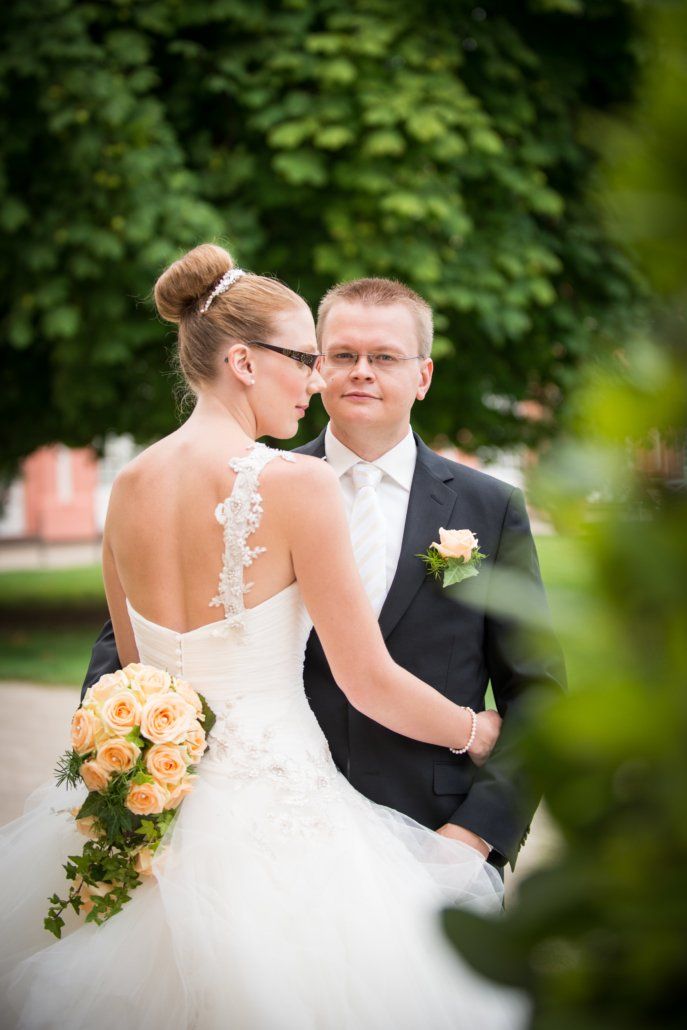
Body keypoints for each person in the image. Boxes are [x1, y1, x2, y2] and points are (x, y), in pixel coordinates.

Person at [0, 245, 527, 1029]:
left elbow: (135, 682)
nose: (318, 381)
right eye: (307, 359)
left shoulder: (130, 486)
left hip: (170, 813)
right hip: (283, 819)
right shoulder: (295, 481)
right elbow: (365, 677)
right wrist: (475, 730)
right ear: (244, 362)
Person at [85, 276, 566, 872]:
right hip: (255, 836)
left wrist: (476, 835)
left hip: (438, 831)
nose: (355, 371)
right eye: (335, 356)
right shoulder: (276, 482)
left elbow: (538, 695)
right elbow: (122, 671)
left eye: (385, 357)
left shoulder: (490, 509)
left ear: (424, 376)